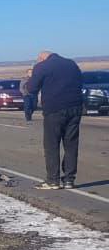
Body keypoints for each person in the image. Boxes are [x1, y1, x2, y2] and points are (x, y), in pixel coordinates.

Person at [27, 50, 83, 189]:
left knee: (52, 145)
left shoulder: (42, 66)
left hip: (54, 109)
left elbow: (31, 89)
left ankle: (53, 180)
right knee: (71, 144)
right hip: (75, 107)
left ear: (41, 58)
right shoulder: (71, 64)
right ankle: (69, 179)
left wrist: (32, 75)